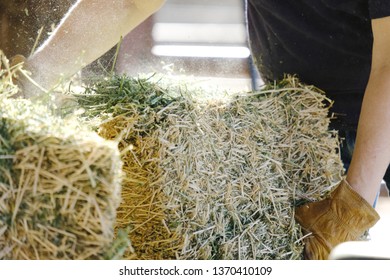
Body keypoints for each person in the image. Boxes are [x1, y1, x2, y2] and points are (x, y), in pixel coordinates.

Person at [10, 0, 390, 259]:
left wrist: (350, 207)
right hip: (301, 114)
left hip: (378, 103)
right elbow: (128, 2)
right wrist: (34, 75)